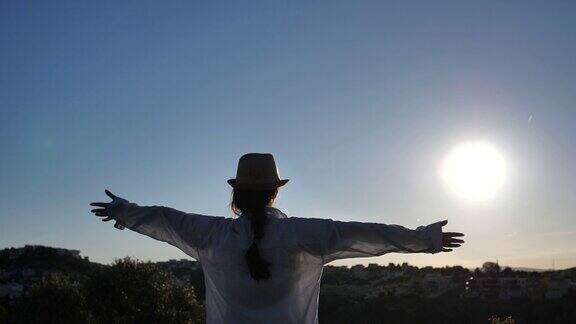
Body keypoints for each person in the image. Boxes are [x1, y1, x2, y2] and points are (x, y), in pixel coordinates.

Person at [90, 153, 464, 324]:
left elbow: (163, 218)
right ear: (275, 193)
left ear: (236, 196)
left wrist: (123, 211)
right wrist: (423, 239)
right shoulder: (303, 235)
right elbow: (366, 234)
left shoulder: (210, 236)